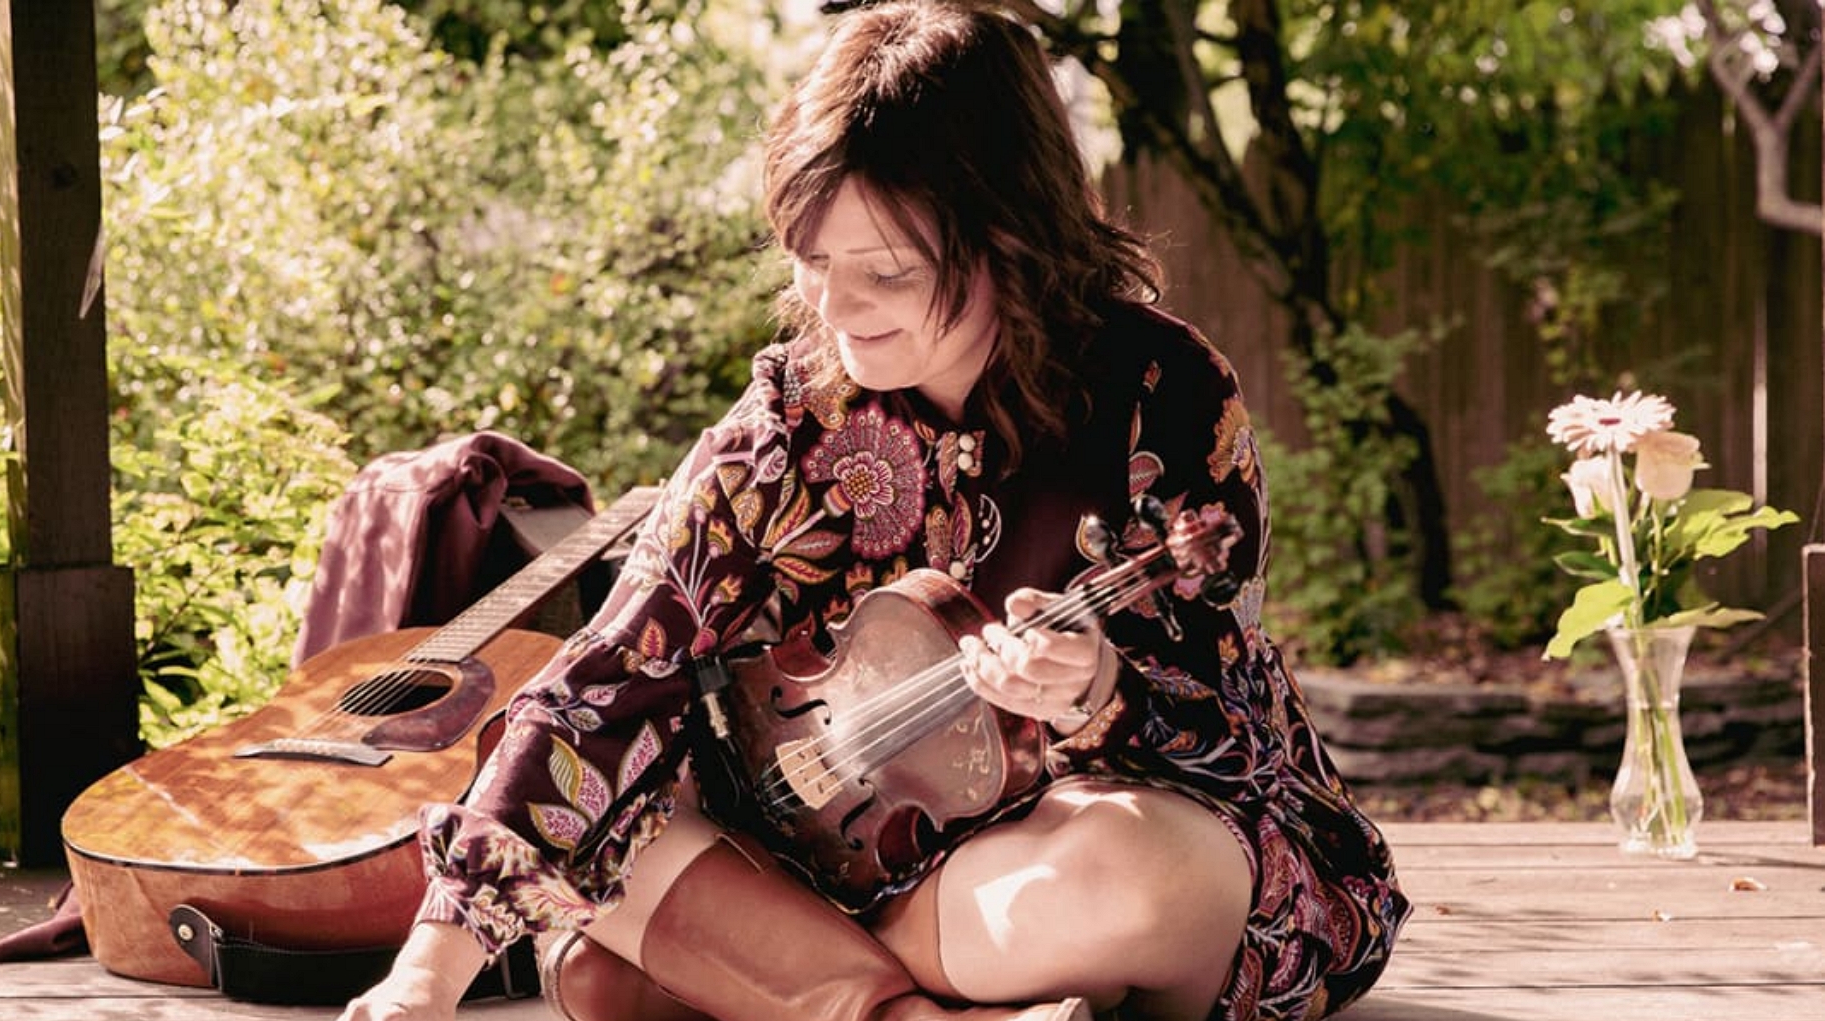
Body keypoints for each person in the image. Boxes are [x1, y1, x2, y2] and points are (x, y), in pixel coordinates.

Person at [338, 2, 1408, 1019]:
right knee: (569, 787)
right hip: (807, 846)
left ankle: (762, 967)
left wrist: (1096, 692)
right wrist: (421, 984)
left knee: (1144, 877)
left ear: (1011, 237)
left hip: (1024, 870)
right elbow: (603, 686)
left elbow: (1233, 738)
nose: (837, 309)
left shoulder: (1158, 392)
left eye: (886, 272)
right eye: (813, 264)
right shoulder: (787, 421)